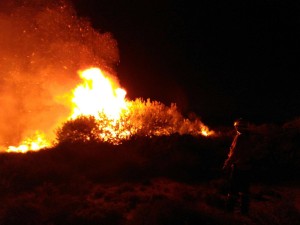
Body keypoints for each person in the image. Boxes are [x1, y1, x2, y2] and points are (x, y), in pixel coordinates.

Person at [222, 118, 255, 215]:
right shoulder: (249, 137)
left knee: (233, 190)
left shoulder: (239, 138)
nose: (235, 128)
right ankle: (244, 211)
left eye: (236, 126)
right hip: (247, 168)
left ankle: (229, 211)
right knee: (245, 191)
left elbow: (234, 154)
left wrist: (226, 165)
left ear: (238, 127)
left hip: (238, 167)